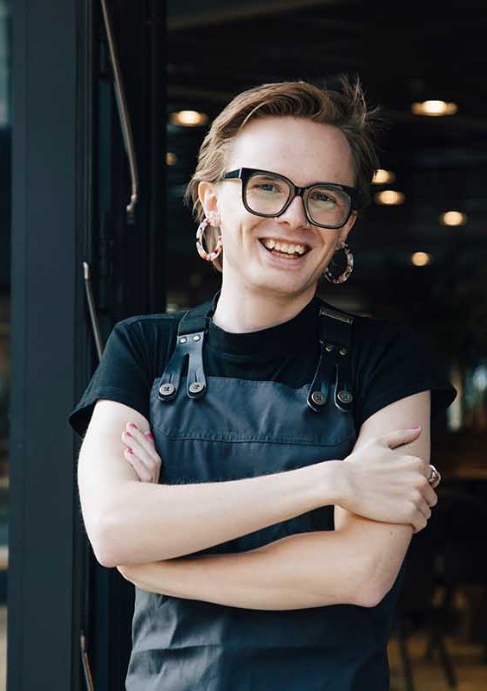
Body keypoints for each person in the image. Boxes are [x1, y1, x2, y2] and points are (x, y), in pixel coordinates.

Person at [69, 79, 456, 690]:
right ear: (212, 202)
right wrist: (330, 480)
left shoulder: (388, 361)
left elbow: (358, 572)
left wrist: (154, 564)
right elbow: (114, 525)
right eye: (267, 187)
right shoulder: (142, 348)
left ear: (346, 223)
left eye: (324, 198)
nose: (295, 218)